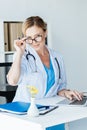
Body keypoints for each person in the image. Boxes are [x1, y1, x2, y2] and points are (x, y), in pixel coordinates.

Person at [7, 16, 83, 130]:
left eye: (38, 36)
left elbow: (60, 87)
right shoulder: (22, 56)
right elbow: (12, 81)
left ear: (45, 33)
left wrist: (66, 92)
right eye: (29, 38)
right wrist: (19, 53)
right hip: (26, 111)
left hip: (50, 108)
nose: (34, 42)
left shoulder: (57, 57)